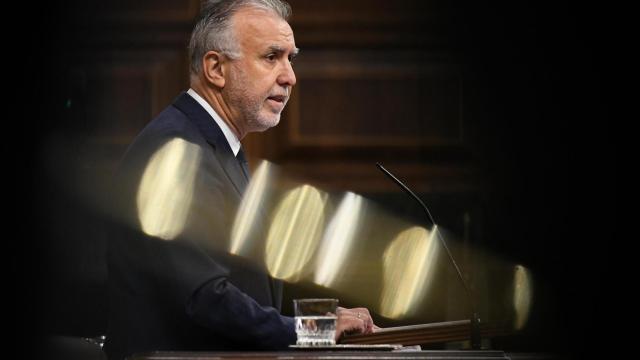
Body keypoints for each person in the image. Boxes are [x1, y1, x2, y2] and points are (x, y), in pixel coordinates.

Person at [104, 1, 374, 359]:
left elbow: (243, 292)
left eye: (291, 58)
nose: (289, 76)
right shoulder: (176, 151)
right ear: (215, 68)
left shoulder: (214, 147)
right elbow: (204, 299)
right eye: (271, 56)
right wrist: (316, 330)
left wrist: (326, 322)